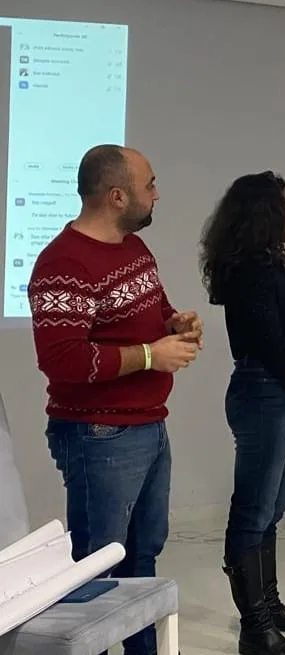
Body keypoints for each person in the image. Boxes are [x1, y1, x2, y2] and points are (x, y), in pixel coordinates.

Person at [28, 144, 201, 655]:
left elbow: (155, 310)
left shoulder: (134, 249)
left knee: (143, 556)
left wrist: (176, 323)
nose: (157, 194)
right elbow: (63, 360)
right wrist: (150, 355)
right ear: (117, 195)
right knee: (97, 568)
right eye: (150, 185)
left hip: (148, 426)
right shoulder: (62, 263)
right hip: (98, 434)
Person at [200, 171, 285, 655]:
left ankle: (269, 605)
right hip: (262, 393)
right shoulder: (247, 274)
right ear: (267, 212)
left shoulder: (267, 267)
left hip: (278, 391)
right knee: (253, 511)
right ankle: (255, 629)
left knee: (271, 510)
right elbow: (271, 347)